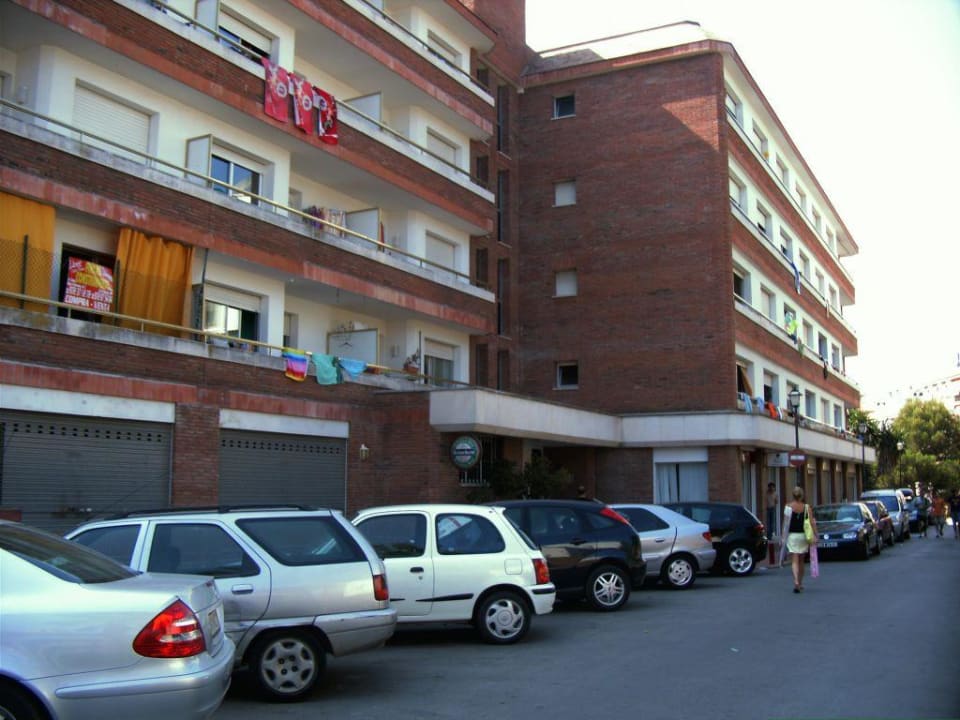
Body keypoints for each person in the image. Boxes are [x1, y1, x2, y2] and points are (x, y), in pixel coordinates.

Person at [782, 486, 817, 593]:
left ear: (793, 495)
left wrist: (783, 537)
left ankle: (796, 581)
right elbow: (811, 522)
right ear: (802, 496)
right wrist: (816, 534)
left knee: (794, 560)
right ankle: (800, 583)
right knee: (801, 561)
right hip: (803, 536)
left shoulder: (788, 507)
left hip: (792, 536)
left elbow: (785, 523)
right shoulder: (807, 507)